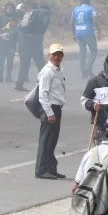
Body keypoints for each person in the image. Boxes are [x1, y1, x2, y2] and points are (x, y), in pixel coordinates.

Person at [36, 44, 67, 179]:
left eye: (59, 55)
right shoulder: (47, 71)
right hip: (49, 108)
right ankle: (41, 170)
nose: (56, 57)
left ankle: (51, 168)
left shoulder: (58, 70)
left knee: (52, 141)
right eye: (54, 55)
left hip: (56, 108)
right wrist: (49, 113)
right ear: (49, 56)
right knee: (46, 140)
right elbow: (43, 94)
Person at [14, 3, 49, 91]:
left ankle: (19, 84)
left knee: (24, 65)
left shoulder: (30, 13)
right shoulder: (45, 12)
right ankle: (45, 85)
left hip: (23, 43)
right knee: (41, 64)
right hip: (35, 42)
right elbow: (44, 26)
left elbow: (22, 28)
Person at [72, 0, 99, 78]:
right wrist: (98, 31)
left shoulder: (75, 9)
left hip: (78, 32)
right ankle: (88, 70)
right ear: (89, 2)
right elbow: (95, 21)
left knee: (82, 52)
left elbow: (72, 22)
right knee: (93, 51)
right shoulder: (91, 9)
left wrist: (73, 34)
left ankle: (83, 73)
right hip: (88, 32)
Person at [0, 2, 21, 83]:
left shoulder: (16, 18)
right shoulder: (2, 17)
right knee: (1, 60)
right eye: (7, 8)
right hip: (2, 43)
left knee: (10, 60)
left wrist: (10, 34)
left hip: (11, 43)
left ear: (13, 9)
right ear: (5, 9)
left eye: (10, 8)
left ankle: (8, 77)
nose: (8, 9)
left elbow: (18, 29)